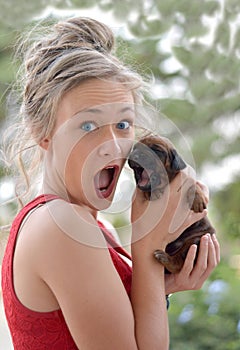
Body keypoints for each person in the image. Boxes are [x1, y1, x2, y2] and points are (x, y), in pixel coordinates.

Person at [1, 16, 220, 349]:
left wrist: (159, 286)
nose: (114, 144)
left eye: (123, 123)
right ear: (42, 133)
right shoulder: (62, 226)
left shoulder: (92, 228)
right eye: (88, 126)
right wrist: (148, 245)